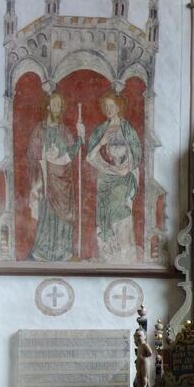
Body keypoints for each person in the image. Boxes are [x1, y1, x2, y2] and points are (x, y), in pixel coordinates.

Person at [80, 92, 142, 260]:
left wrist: (126, 169)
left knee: (120, 211)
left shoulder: (126, 128)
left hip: (122, 178)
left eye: (112, 106)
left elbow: (136, 152)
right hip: (105, 177)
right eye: (106, 106)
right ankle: (107, 255)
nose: (109, 109)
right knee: (105, 213)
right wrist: (101, 142)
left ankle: (123, 254)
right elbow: (90, 156)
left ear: (118, 107)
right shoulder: (101, 129)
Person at [25, 91, 80, 261]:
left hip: (63, 180)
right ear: (48, 106)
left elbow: (71, 152)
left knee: (62, 218)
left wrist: (80, 138)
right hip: (46, 178)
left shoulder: (64, 130)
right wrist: (46, 155)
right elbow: (32, 153)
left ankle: (62, 251)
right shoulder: (39, 129)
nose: (57, 107)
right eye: (54, 104)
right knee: (47, 213)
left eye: (60, 105)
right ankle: (43, 250)